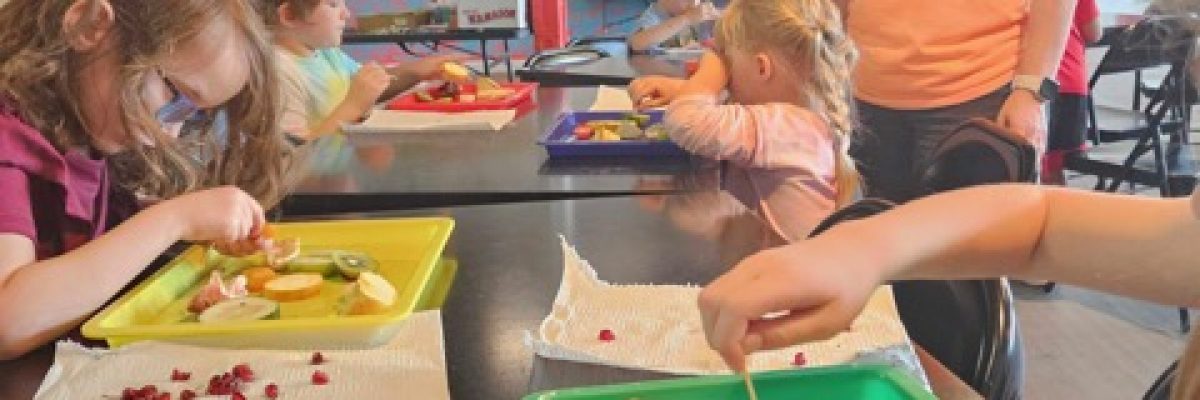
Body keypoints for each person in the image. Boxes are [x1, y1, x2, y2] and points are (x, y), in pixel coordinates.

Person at [0, 0, 294, 359]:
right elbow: (7, 320)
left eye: (194, 116)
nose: (171, 132)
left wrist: (193, 227)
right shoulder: (8, 139)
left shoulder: (83, 136)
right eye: (175, 95)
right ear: (88, 25)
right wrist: (174, 219)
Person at [628, 0, 859, 241]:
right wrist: (685, 89)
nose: (727, 79)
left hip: (792, 269)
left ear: (761, 68)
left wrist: (712, 63)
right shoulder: (800, 118)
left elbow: (685, 123)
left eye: (729, 69)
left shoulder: (779, 126)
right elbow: (730, 114)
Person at [842, 0, 1075, 202]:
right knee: (881, 244)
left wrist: (1031, 92)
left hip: (982, 91)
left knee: (983, 247)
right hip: (866, 96)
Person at [259, 0, 463, 140]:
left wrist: (418, 71)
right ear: (289, 15)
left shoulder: (326, 53)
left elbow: (370, 88)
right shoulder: (277, 73)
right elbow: (294, 156)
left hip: (341, 179)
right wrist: (354, 106)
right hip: (314, 192)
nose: (346, 14)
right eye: (333, 4)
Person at [1043, 0, 1102, 185]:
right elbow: (1094, 32)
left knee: (1029, 166)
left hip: (1033, 81)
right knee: (1054, 170)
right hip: (1070, 82)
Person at [627, 0, 720, 52]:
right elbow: (637, 43)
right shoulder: (653, 16)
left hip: (692, 73)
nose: (694, 4)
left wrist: (723, 19)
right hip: (659, 74)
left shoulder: (699, 18)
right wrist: (686, 18)